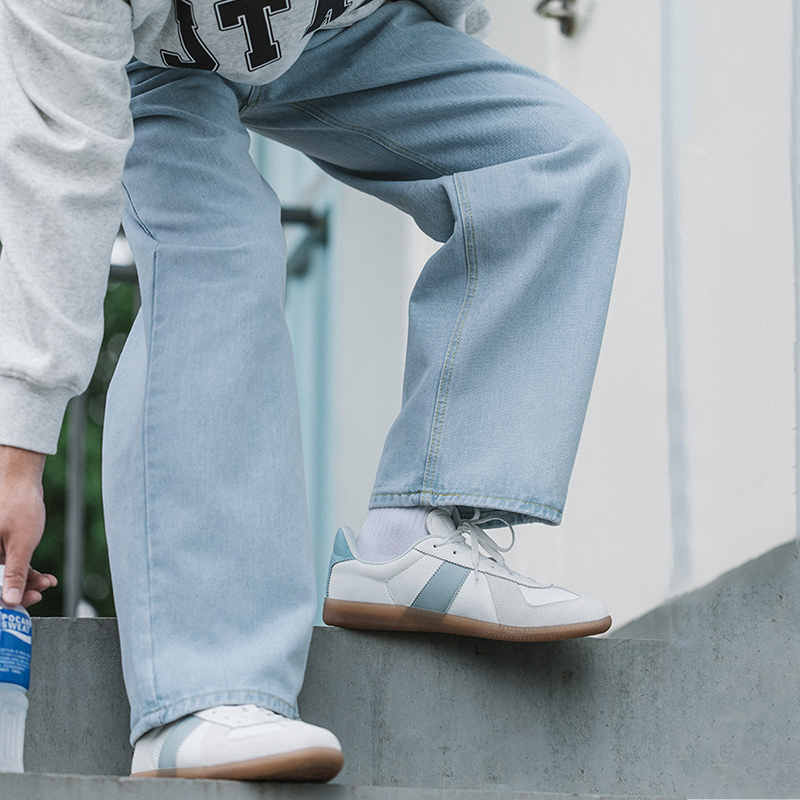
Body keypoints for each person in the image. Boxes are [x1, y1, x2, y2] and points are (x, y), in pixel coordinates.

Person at [0, 0, 629, 783]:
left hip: (341, 34)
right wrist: (18, 449)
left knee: (555, 160)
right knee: (219, 254)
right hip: (147, 65)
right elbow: (59, 166)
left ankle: (416, 538)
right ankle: (202, 690)